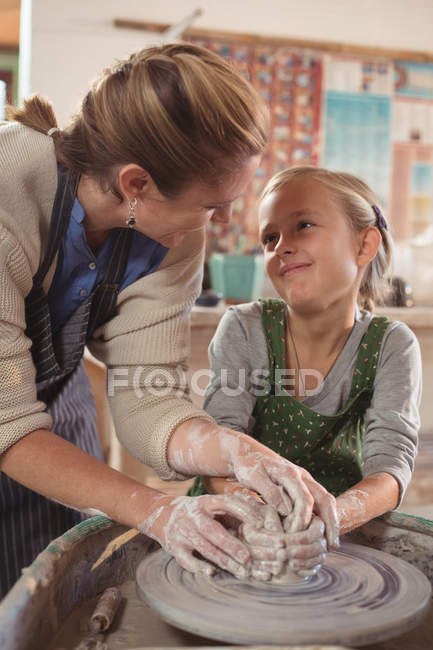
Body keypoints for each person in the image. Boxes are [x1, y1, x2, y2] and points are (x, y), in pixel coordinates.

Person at [0, 45, 338, 597]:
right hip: (10, 412)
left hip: (54, 408)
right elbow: (7, 421)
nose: (227, 219)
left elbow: (146, 394)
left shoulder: (172, 233)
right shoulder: (6, 190)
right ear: (137, 184)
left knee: (54, 593)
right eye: (214, 203)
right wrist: (154, 510)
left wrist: (232, 448)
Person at [192, 166, 421, 540]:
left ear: (364, 245)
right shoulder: (244, 328)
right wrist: (259, 515)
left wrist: (328, 520)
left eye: (304, 226)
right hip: (235, 520)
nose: (281, 246)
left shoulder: (392, 345)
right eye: (270, 237)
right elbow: (217, 451)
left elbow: (390, 471)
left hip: (335, 531)